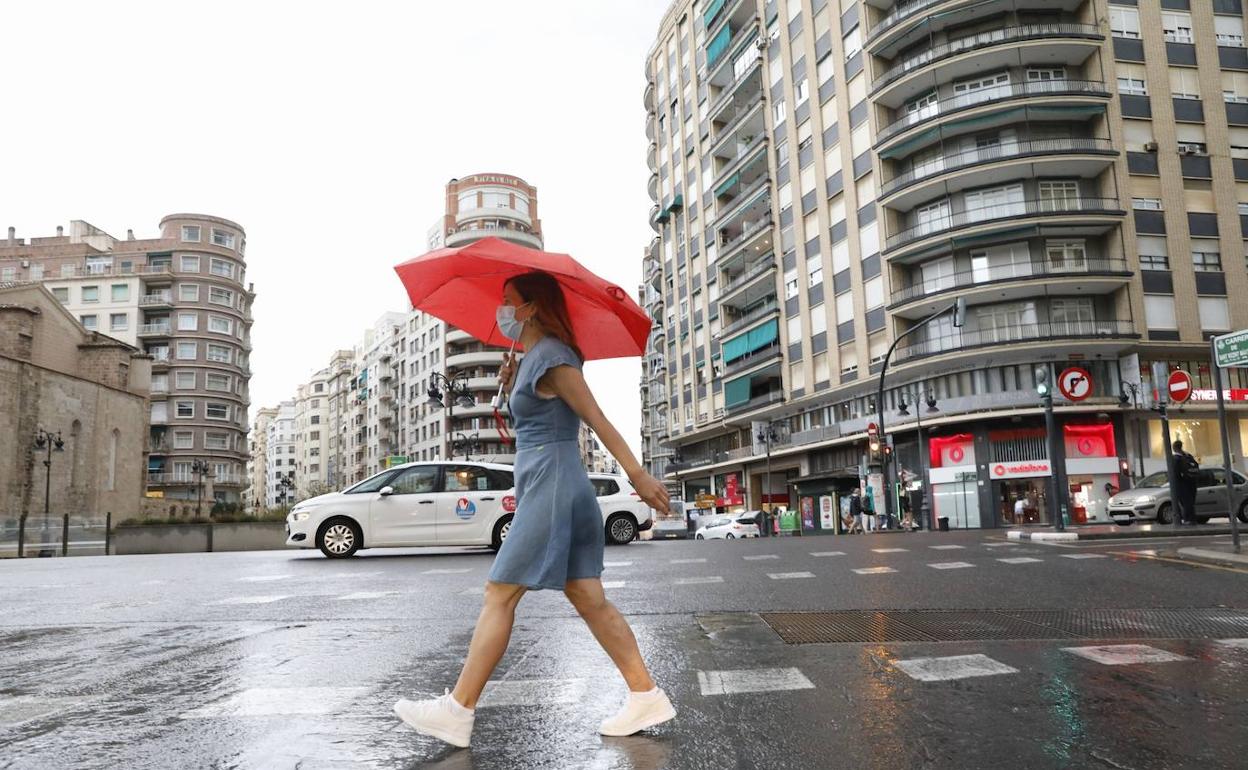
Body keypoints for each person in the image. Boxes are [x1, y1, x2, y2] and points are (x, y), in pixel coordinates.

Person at [394, 272, 676, 748]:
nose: (502, 310)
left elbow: (597, 419)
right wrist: (516, 382)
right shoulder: (533, 360)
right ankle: (645, 694)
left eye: (509, 301)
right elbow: (541, 413)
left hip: (553, 483)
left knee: (499, 593)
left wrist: (638, 476)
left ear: (530, 307)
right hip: (556, 483)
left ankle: (457, 710)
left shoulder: (552, 357)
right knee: (588, 597)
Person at [1172, 439, 1200, 525]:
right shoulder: (1188, 456)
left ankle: (1188, 520)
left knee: (1185, 502)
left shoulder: (1176, 458)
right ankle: (1192, 519)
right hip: (1192, 482)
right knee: (1191, 502)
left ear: (1174, 448)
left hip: (1182, 484)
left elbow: (1175, 473)